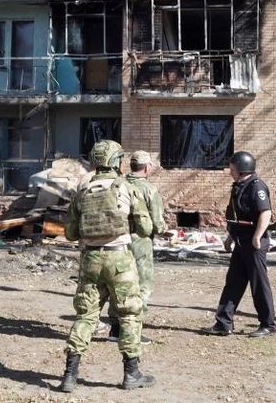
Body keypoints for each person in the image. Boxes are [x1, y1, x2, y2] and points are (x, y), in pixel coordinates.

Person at [59, 140, 155, 392]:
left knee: (86, 316)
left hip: (90, 259)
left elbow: (69, 233)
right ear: (116, 161)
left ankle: (69, 375)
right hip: (120, 260)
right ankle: (131, 374)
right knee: (129, 315)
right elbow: (146, 229)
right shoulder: (125, 186)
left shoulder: (82, 188)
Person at [202, 150, 276, 337]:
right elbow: (234, 216)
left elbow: (265, 213)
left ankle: (268, 324)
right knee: (233, 283)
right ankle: (223, 323)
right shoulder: (238, 186)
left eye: (232, 168)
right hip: (240, 241)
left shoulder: (256, 187)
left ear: (242, 168)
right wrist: (229, 238)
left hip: (253, 242)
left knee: (258, 284)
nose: (230, 172)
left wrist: (257, 236)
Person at [102, 150, 167, 343]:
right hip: (140, 241)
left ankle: (115, 328)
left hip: (117, 240)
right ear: (147, 167)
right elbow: (157, 223)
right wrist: (163, 228)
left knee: (118, 283)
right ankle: (132, 330)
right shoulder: (149, 189)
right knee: (141, 286)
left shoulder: (117, 184)